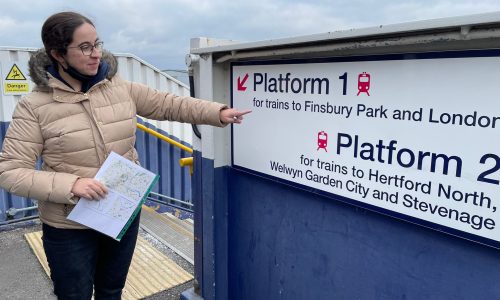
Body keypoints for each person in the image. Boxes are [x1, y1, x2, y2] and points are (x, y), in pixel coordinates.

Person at [0, 11, 250, 300]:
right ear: (58, 54)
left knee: (112, 290)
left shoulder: (118, 87)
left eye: (97, 44)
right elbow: (10, 171)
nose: (96, 54)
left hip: (121, 211)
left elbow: (168, 104)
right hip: (69, 226)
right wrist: (71, 185)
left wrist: (217, 112)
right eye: (84, 48)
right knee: (74, 295)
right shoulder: (34, 106)